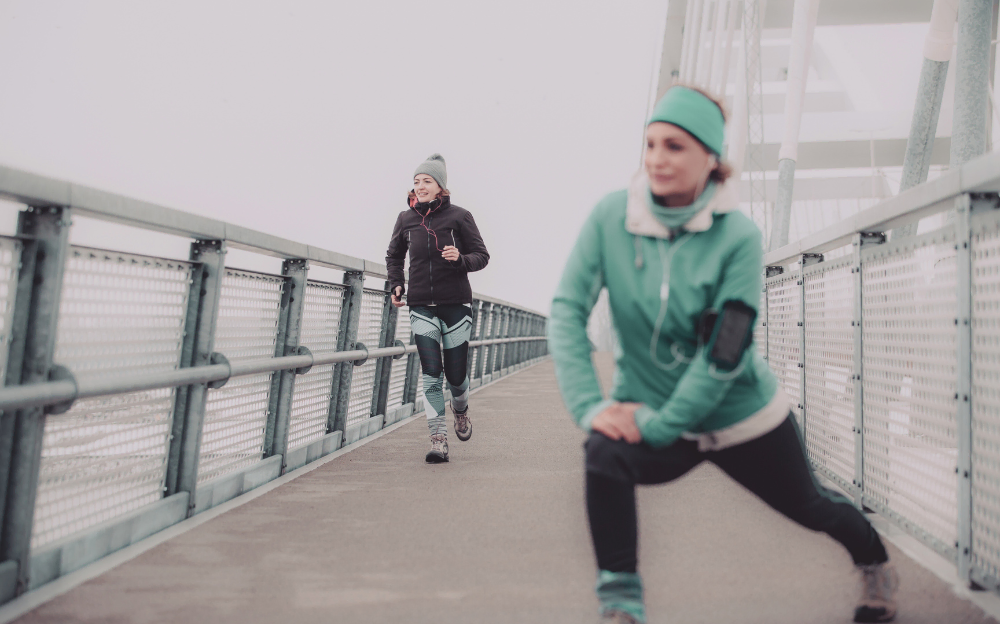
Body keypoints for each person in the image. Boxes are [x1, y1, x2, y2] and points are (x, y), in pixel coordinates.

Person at [547, 86, 898, 624]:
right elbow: (568, 311)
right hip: (650, 407)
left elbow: (725, 350)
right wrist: (591, 408)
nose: (658, 159)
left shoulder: (738, 237)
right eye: (651, 144)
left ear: (711, 159)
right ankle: (620, 603)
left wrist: (664, 426)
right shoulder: (610, 218)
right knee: (603, 449)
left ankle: (872, 559)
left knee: (811, 505)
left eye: (676, 146)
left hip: (742, 416)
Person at [386, 153, 490, 463]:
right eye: (416, 181)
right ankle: (438, 439)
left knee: (456, 377)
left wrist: (460, 259)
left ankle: (460, 409)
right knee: (432, 374)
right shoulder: (405, 220)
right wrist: (396, 282)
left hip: (455, 305)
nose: (419, 186)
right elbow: (394, 256)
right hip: (421, 306)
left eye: (426, 181)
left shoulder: (460, 217)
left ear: (440, 187)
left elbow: (482, 256)